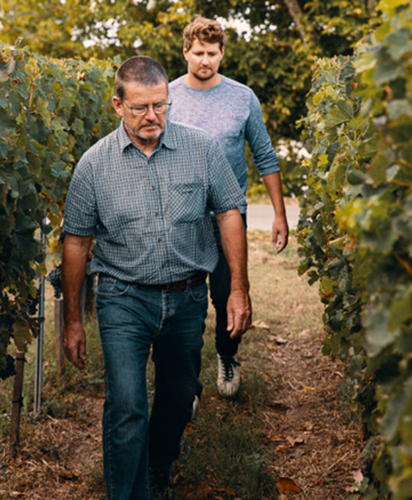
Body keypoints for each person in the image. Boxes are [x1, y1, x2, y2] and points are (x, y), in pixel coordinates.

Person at [61, 56, 252, 499]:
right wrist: (73, 319)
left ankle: (160, 460)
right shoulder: (93, 165)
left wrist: (238, 288)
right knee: (127, 406)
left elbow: (228, 212)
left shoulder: (201, 149)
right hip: (122, 297)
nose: (152, 117)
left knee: (178, 395)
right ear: (117, 105)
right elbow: (76, 243)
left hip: (187, 297)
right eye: (140, 108)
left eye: (161, 106)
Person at [169, 16, 289, 398]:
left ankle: (226, 354)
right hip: (181, 216)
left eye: (213, 53)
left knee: (228, 296)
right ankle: (185, 382)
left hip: (229, 217)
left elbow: (265, 157)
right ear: (186, 51)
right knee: (183, 302)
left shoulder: (242, 97)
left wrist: (279, 214)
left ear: (223, 53)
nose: (206, 60)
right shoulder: (167, 96)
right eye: (199, 52)